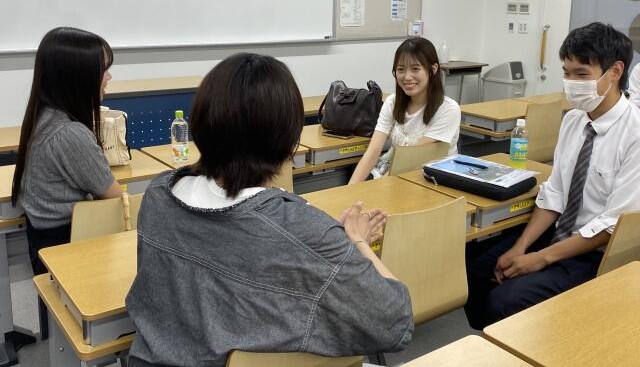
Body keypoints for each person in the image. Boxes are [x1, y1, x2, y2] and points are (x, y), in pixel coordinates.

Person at [125, 53, 413, 367]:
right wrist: (356, 241)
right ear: (288, 137)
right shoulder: (304, 231)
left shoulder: (158, 194)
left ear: (201, 121)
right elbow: (396, 322)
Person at [465, 22, 640, 330]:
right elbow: (555, 193)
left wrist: (541, 258)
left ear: (615, 71)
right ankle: (497, 340)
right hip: (558, 233)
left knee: (504, 300)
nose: (571, 83)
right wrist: (521, 246)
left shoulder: (634, 134)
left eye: (581, 74)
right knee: (475, 269)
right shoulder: (574, 120)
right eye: (566, 73)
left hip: (596, 253)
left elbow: (612, 225)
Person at [12, 27, 122, 277]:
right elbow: (115, 196)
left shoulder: (46, 117)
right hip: (68, 247)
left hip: (46, 243)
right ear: (78, 77)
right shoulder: (69, 133)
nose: (109, 77)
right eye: (103, 70)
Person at [349, 37, 461, 183]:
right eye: (401, 69)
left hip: (432, 183)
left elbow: (410, 160)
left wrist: (379, 188)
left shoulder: (448, 109)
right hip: (394, 175)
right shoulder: (392, 102)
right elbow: (373, 151)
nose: (407, 77)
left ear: (433, 69)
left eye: (415, 69)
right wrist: (351, 189)